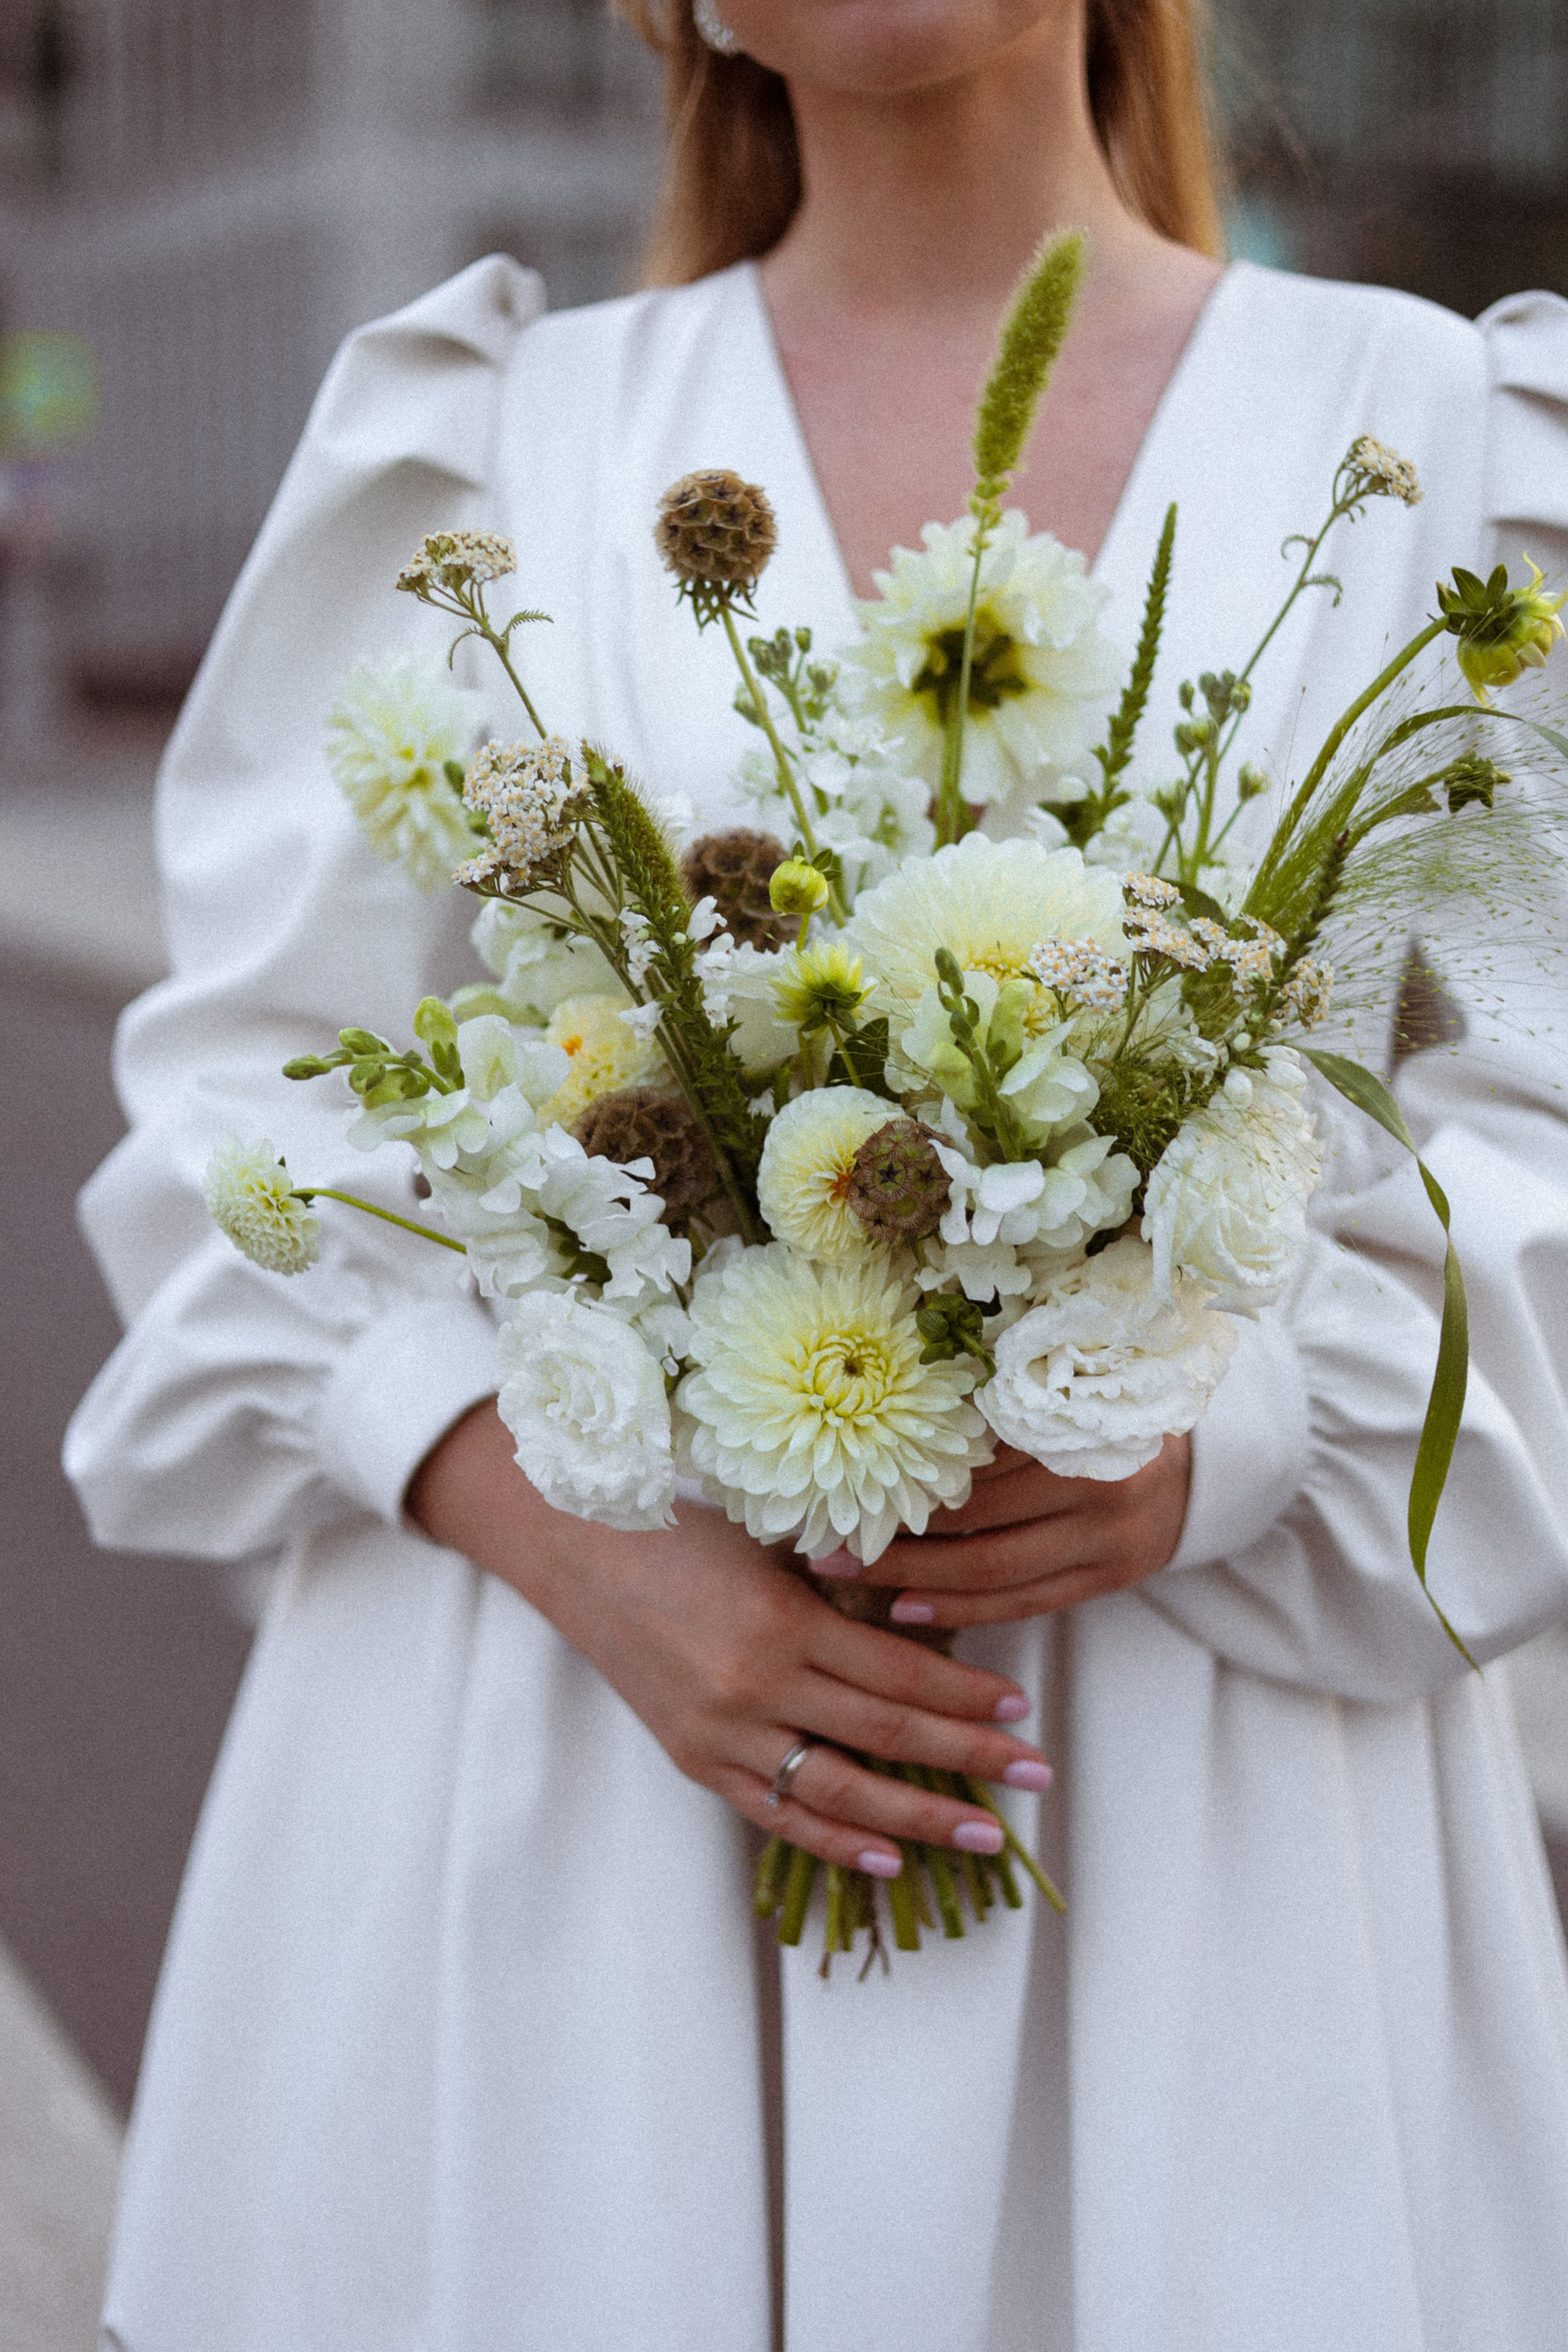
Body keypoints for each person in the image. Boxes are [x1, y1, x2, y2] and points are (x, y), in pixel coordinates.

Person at [65, 2, 1568, 2345]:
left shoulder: (1453, 450)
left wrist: (1245, 1433)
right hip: (574, 1817)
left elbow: (1551, 1099)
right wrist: (538, 1508)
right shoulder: (481, 456)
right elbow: (258, 1101)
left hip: (1214, 1860)